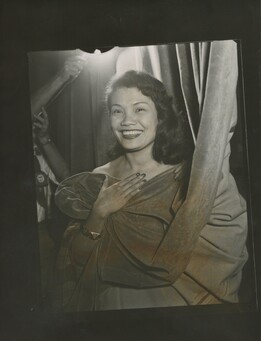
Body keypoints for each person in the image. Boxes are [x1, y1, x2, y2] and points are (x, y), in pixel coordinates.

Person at [53, 70, 248, 311]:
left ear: (160, 117)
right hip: (112, 308)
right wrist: (99, 213)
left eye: (139, 109)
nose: (127, 121)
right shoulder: (98, 178)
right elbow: (77, 258)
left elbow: (222, 250)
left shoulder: (190, 180)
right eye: (117, 111)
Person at [31, 52, 86, 301]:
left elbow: (67, 179)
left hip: (41, 234)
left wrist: (44, 140)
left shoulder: (38, 151)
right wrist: (63, 75)